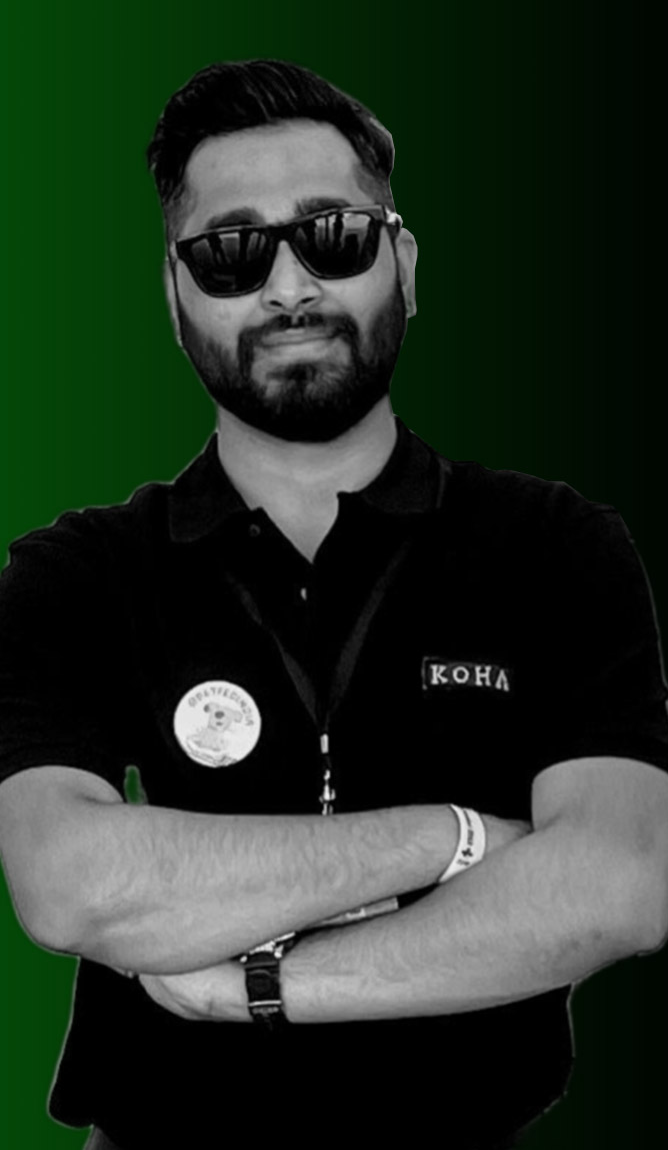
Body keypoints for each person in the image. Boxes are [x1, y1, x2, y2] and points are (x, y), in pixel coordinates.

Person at [0, 59, 667, 1150]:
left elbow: (621, 882)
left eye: (334, 236)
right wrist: (453, 838)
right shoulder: (77, 571)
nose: (288, 287)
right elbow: (69, 886)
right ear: (173, 293)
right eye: (230, 252)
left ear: (403, 262)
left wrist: (252, 989)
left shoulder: (556, 546)